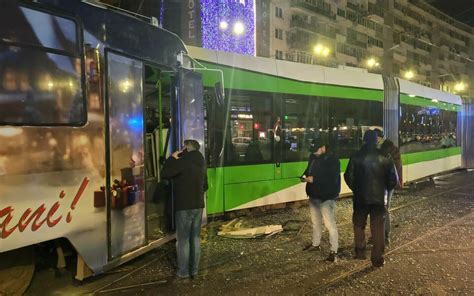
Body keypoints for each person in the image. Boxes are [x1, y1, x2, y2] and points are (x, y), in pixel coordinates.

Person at [344, 130, 398, 267]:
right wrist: (385, 188)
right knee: (378, 228)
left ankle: (360, 252)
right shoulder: (385, 156)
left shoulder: (355, 156)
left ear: (364, 140)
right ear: (376, 140)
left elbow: (348, 176)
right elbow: (393, 179)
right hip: (379, 199)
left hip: (360, 198)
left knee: (358, 225)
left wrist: (356, 189)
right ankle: (377, 258)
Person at [161, 139, 208, 280]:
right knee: (195, 238)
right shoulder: (201, 162)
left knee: (183, 240)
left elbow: (165, 173)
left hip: (183, 206)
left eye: (183, 146)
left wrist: (172, 158)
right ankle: (194, 271)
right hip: (198, 205)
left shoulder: (183, 160)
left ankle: (183, 272)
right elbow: (206, 186)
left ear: (186, 148)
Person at [301, 139, 341, 262]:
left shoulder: (333, 160)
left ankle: (334, 250)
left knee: (330, 224)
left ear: (323, 147)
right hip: (314, 195)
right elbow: (309, 170)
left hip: (326, 197)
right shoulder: (313, 157)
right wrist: (304, 176)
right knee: (315, 222)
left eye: (316, 150)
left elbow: (332, 179)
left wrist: (314, 179)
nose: (315, 153)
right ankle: (315, 244)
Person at [374, 128, 402, 245]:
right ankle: (378, 234)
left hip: (388, 184)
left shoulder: (390, 149)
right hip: (377, 184)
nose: (376, 141)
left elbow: (398, 165)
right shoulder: (374, 149)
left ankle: (386, 234)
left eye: (377, 138)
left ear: (381, 138)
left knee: (384, 209)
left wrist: (399, 180)